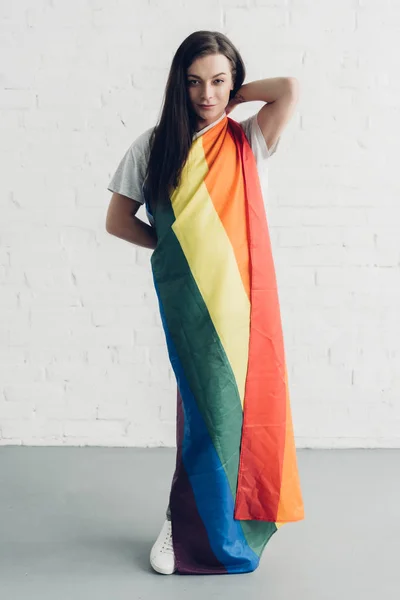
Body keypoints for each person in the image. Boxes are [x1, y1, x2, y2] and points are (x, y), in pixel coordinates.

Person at [106, 30, 305, 576]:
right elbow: (118, 220)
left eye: (218, 81)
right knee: (201, 413)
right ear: (178, 85)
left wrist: (235, 94)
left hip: (244, 304)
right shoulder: (153, 146)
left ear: (233, 84)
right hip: (189, 300)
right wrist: (174, 252)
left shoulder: (246, 141)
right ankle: (182, 522)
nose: (206, 94)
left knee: (242, 418)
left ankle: (233, 524)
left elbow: (288, 88)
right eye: (194, 82)